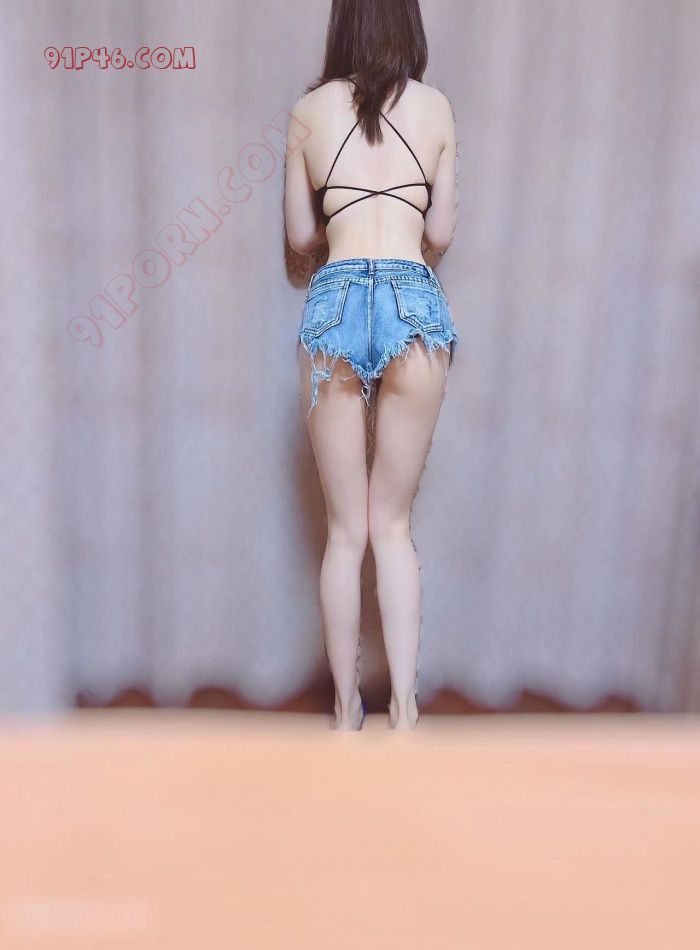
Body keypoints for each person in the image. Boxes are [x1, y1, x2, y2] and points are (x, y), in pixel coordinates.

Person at [284, 0, 458, 730]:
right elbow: (440, 231)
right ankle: (407, 715)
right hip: (413, 299)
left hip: (335, 299)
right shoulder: (436, 107)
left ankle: (345, 713)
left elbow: (301, 236)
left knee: (344, 532)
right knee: (392, 525)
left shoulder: (308, 112)